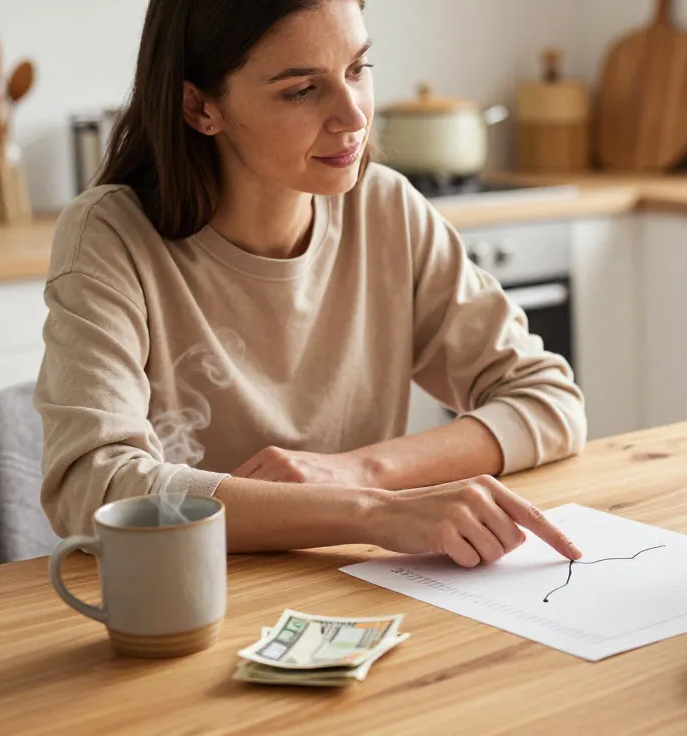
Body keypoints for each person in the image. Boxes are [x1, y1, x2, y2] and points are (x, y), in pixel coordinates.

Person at [34, 0, 585, 568]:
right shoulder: (111, 236)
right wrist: (368, 512)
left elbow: (547, 401)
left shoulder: (386, 209)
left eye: (358, 69)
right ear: (200, 106)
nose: (353, 116)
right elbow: (95, 485)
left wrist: (361, 471)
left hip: (356, 586)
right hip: (184, 593)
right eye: (301, 90)